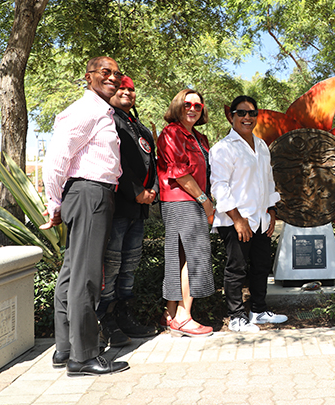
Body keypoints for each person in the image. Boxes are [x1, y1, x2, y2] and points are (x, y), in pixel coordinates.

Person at [41, 56, 129, 376]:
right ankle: (84, 357)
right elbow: (56, 159)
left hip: (89, 194)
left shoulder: (101, 111)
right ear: (89, 76)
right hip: (90, 194)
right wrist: (54, 202)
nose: (113, 78)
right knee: (86, 277)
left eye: (117, 73)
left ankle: (65, 348)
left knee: (72, 272)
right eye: (106, 72)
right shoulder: (86, 110)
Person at [210, 95, 287, 333]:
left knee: (261, 267)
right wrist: (237, 219)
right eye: (241, 113)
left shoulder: (262, 145)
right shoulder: (223, 148)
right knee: (236, 269)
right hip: (236, 221)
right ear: (231, 116)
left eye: (252, 113)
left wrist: (272, 211)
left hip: (261, 219)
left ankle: (258, 311)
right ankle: (236, 317)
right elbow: (219, 186)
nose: (247, 117)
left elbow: (268, 180)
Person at [97, 75, 158, 347]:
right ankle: (106, 321)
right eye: (122, 88)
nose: (127, 93)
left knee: (130, 265)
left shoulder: (139, 126)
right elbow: (114, 162)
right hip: (119, 205)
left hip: (139, 210)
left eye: (131, 89)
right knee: (111, 265)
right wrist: (136, 191)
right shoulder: (108, 120)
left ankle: (125, 315)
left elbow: (152, 162)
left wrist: (152, 190)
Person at [157, 89, 215, 337]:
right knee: (195, 256)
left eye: (198, 105)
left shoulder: (200, 138)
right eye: (187, 104)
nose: (192, 108)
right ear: (178, 106)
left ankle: (170, 314)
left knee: (181, 258)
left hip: (191, 200)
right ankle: (184, 316)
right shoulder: (171, 133)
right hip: (182, 200)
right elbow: (179, 172)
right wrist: (205, 201)